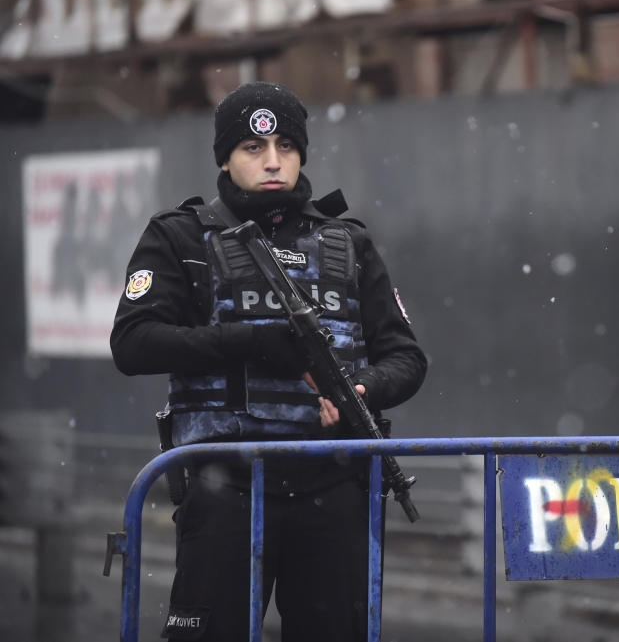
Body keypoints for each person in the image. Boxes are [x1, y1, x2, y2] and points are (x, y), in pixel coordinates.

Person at [110, 81, 427, 641]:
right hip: (226, 487)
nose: (273, 161)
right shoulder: (181, 236)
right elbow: (134, 342)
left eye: (286, 145)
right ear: (227, 158)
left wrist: (364, 390)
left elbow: (405, 355)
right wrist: (250, 343)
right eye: (253, 149)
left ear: (303, 152)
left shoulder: (348, 243)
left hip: (333, 488)